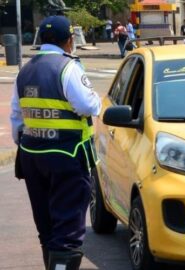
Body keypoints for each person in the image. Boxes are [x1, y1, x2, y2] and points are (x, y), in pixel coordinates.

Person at [9, 15, 101, 270]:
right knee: (68, 232)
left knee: (47, 228)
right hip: (67, 156)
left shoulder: (25, 71)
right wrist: (97, 100)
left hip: (31, 155)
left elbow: (16, 119)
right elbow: (86, 105)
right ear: (69, 41)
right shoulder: (68, 67)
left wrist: (29, 142)